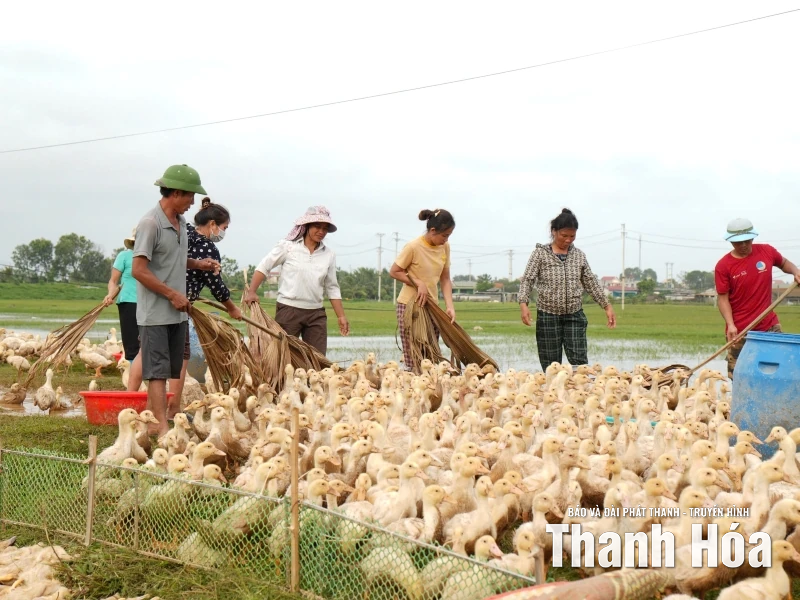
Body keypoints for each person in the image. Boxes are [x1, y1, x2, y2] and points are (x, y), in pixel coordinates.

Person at [128, 197, 242, 415]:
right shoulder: (206, 247)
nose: (223, 233)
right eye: (224, 228)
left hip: (155, 299)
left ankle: (129, 402)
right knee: (181, 355)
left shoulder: (182, 232)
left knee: (145, 353)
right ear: (212, 225)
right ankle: (172, 409)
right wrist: (231, 308)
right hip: (178, 303)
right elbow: (216, 286)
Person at [131, 164, 219, 437]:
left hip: (178, 313)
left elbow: (174, 260)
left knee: (169, 369)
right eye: (190, 196)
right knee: (156, 372)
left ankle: (150, 422)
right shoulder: (150, 223)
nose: (193, 202)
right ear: (176, 193)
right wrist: (171, 294)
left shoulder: (181, 224)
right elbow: (139, 269)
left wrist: (199, 264)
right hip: (156, 312)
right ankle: (162, 428)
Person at [518, 208, 615, 369]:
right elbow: (527, 279)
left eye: (572, 236)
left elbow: (590, 281)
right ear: (554, 232)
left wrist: (607, 305)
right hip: (548, 315)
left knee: (580, 363)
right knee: (551, 366)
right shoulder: (540, 254)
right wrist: (523, 304)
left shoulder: (579, 256)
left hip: (574, 315)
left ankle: (581, 392)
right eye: (564, 236)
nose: (568, 240)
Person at [243, 206, 349, 354]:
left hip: (316, 313)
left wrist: (341, 316)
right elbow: (264, 266)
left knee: (317, 359)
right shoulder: (288, 247)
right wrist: (252, 291)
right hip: (289, 310)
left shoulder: (328, 254)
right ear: (306, 226)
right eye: (317, 226)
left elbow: (332, 287)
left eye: (325, 228)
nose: (321, 231)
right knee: (285, 356)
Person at [715, 217, 800, 379]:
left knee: (778, 372)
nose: (743, 245)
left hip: (769, 326)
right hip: (740, 332)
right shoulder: (724, 266)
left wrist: (795, 271)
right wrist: (730, 325)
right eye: (738, 242)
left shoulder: (766, 251)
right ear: (730, 241)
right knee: (739, 377)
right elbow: (723, 299)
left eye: (747, 241)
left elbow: (783, 263)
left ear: (753, 237)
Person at [388, 209, 456, 373]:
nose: (445, 240)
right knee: (413, 356)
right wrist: (418, 282)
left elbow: (445, 278)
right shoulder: (413, 247)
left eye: (448, 236)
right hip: (410, 306)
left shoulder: (444, 247)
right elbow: (394, 271)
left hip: (432, 306)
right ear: (433, 231)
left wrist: (450, 306)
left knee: (430, 356)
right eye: (444, 235)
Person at [103, 228, 139, 361]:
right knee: (131, 343)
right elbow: (113, 281)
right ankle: (132, 374)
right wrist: (110, 295)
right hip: (128, 302)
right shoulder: (124, 256)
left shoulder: (154, 256)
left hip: (150, 303)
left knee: (150, 342)